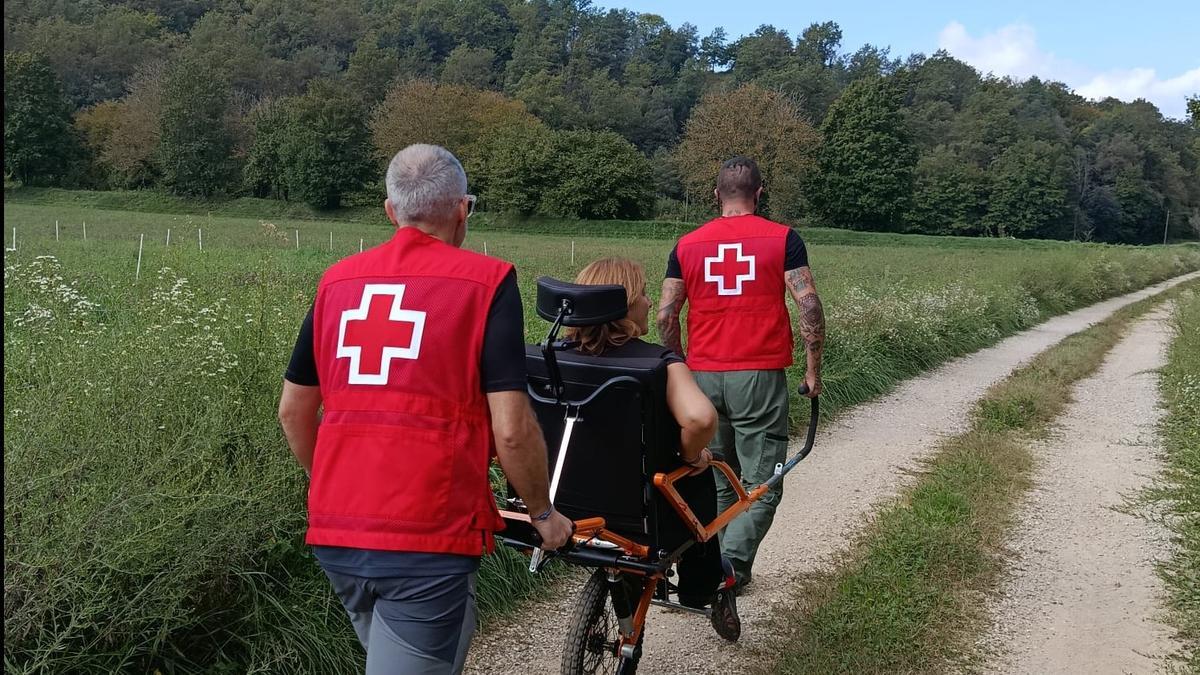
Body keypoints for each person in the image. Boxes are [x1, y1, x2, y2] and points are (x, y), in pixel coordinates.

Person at [277, 144, 573, 674]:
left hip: (337, 532)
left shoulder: (336, 281)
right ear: (463, 209)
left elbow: (293, 411)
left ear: (391, 212)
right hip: (426, 538)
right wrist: (543, 514)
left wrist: (330, 481)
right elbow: (510, 429)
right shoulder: (487, 283)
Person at [656, 156, 826, 594]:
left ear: (716, 195)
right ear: (760, 193)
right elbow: (808, 305)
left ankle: (712, 567)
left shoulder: (687, 244)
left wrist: (677, 370)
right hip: (759, 377)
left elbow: (665, 316)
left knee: (717, 476)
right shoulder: (783, 239)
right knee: (763, 481)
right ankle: (729, 568)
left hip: (701, 377)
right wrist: (812, 370)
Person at [565, 257, 741, 641]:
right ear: (625, 305)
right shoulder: (660, 364)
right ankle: (700, 584)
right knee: (698, 477)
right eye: (643, 294)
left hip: (567, 498)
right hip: (645, 507)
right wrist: (690, 455)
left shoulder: (550, 358)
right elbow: (699, 420)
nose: (648, 302)